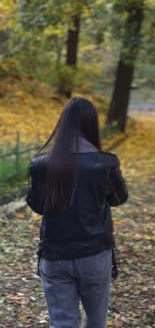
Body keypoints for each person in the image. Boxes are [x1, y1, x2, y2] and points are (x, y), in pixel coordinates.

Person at [26, 96, 128, 328]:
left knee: (62, 323)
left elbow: (37, 206)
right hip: (94, 254)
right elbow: (119, 198)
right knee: (94, 322)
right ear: (92, 124)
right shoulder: (105, 164)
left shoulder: (41, 165)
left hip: (55, 255)